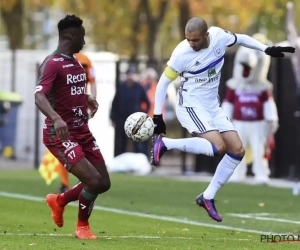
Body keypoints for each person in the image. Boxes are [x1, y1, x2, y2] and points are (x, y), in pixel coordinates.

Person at [150, 17, 295, 222]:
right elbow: (163, 83)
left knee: (237, 150)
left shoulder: (219, 37)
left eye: (196, 40)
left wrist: (265, 49)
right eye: (188, 39)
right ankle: (165, 143)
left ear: (207, 36)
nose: (191, 44)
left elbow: (241, 38)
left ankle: (207, 197)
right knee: (218, 146)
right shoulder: (181, 54)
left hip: (212, 106)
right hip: (191, 105)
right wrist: (157, 115)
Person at [35, 14, 111, 240]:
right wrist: (56, 119)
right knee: (93, 181)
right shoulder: (52, 63)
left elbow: (67, 90)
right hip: (60, 134)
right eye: (83, 37)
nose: (84, 42)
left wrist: (85, 97)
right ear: (71, 35)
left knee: (104, 183)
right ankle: (82, 227)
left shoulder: (75, 61)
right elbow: (40, 97)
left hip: (81, 131)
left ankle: (59, 200)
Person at [110, 67, 150, 156]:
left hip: (135, 119)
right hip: (122, 119)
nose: (130, 76)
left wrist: (143, 114)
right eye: (129, 74)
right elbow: (115, 103)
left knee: (138, 143)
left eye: (132, 74)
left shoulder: (139, 88)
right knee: (121, 142)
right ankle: (120, 160)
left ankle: (140, 161)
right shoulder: (121, 87)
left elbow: (147, 103)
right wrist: (112, 118)